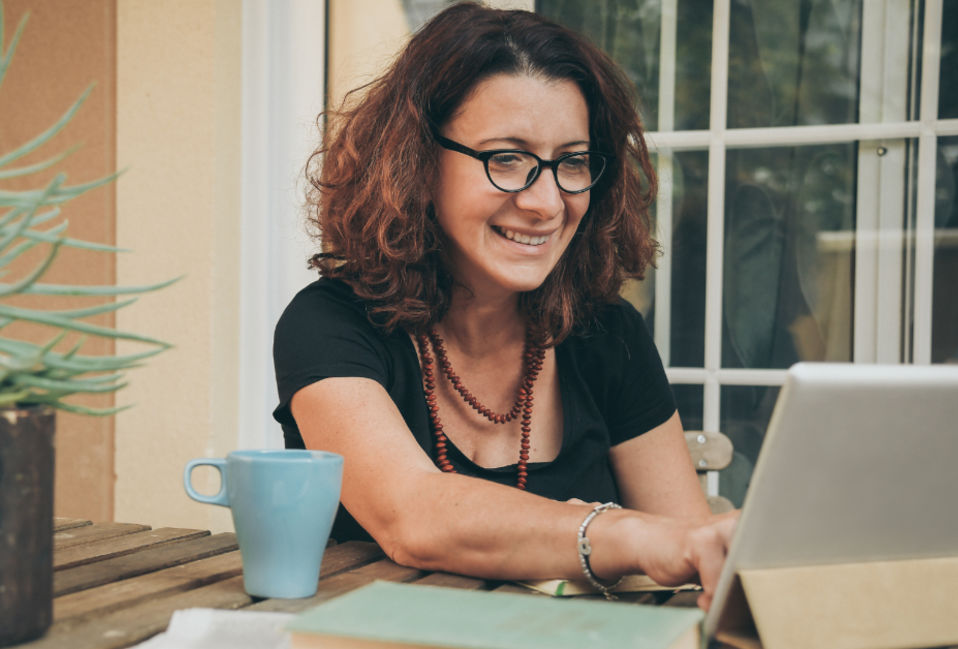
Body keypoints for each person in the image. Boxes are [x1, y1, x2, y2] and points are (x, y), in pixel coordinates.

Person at [272, 3, 736, 610]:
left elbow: (693, 546)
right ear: (416, 160)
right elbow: (412, 516)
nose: (546, 202)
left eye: (571, 162)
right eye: (507, 158)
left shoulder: (608, 334)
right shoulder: (329, 323)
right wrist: (623, 531)